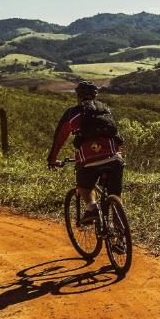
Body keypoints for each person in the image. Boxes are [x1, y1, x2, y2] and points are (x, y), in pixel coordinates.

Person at [47, 80, 125, 225]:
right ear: (95, 95)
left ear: (78, 96)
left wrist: (52, 159)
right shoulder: (106, 109)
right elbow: (115, 135)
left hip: (88, 162)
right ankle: (120, 239)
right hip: (114, 158)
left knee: (84, 187)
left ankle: (92, 208)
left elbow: (59, 138)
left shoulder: (72, 113)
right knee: (115, 195)